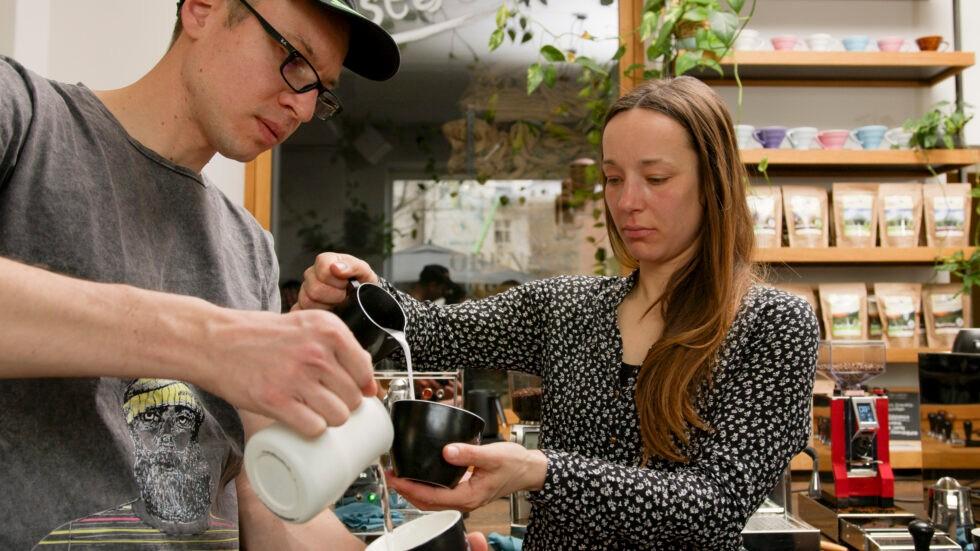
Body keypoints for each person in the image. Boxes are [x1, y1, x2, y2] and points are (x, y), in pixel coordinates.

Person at [0, 1, 488, 549]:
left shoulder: (250, 249)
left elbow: (264, 501)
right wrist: (211, 341)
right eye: (294, 59)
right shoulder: (24, 117)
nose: (302, 109)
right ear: (203, 9)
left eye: (320, 91)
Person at [297, 76, 819, 549]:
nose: (628, 202)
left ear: (714, 183)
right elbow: (433, 332)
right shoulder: (567, 309)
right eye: (614, 178)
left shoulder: (774, 327)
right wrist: (356, 291)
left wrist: (539, 471)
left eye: (656, 178)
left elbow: (715, 506)